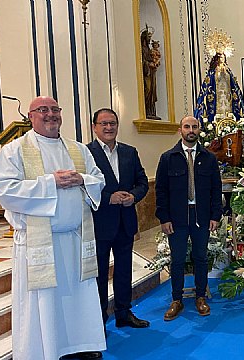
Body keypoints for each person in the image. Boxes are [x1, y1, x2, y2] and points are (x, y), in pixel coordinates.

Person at [0, 96, 106, 359]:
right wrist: (49, 182)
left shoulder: (78, 150)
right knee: (46, 300)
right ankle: (46, 349)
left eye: (55, 109)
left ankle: (81, 344)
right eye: (43, 110)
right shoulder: (15, 150)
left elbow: (98, 179)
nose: (50, 114)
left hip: (75, 240)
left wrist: (82, 178)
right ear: (30, 116)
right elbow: (5, 190)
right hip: (40, 243)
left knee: (77, 296)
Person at [87, 108, 150, 331]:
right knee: (100, 275)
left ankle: (124, 312)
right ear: (94, 126)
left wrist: (133, 196)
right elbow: (83, 187)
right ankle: (99, 321)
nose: (109, 127)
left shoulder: (130, 152)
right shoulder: (86, 153)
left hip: (126, 221)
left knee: (124, 270)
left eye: (112, 123)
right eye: (103, 123)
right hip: (100, 224)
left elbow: (143, 182)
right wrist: (108, 198)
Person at [155, 116, 223, 320]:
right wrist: (164, 218)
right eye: (187, 126)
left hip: (201, 216)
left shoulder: (209, 158)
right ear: (180, 130)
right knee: (177, 259)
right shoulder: (168, 158)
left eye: (194, 127)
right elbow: (161, 191)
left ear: (199, 130)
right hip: (177, 217)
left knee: (200, 257)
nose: (190, 130)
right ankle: (177, 300)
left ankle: (200, 297)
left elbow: (215, 189)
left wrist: (215, 215)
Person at [142, 26, 160, 120]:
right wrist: (149, 64)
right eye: (148, 38)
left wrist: (154, 63)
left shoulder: (149, 49)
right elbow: (142, 61)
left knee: (152, 90)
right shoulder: (142, 49)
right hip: (147, 73)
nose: (149, 40)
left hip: (152, 72)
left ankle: (151, 111)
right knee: (147, 89)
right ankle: (146, 110)